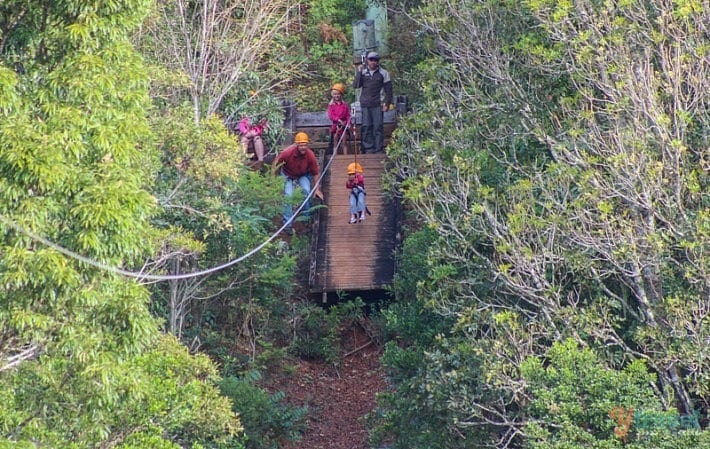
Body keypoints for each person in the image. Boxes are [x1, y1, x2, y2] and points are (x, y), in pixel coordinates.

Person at [273, 132, 324, 234]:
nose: (303, 147)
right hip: (287, 174)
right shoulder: (288, 153)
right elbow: (275, 162)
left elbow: (315, 173)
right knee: (288, 196)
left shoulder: (310, 155)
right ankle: (287, 225)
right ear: (296, 145)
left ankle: (306, 218)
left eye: (305, 145)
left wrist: (317, 189)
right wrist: (274, 181)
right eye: (301, 145)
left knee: (306, 190)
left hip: (303, 174)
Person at [352, 51, 393, 154]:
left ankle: (378, 148)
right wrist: (359, 73)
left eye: (375, 60)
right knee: (366, 126)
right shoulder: (363, 72)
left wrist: (387, 103)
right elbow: (356, 85)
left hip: (377, 104)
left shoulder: (384, 73)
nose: (373, 62)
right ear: (367, 60)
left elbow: (389, 90)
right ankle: (368, 148)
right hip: (365, 103)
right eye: (371, 60)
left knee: (378, 126)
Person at [327, 83, 351, 154]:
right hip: (335, 126)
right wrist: (338, 120)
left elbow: (348, 115)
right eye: (335, 94)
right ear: (332, 95)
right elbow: (331, 115)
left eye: (338, 94)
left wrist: (348, 123)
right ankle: (335, 157)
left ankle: (345, 157)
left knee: (344, 142)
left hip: (343, 126)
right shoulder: (331, 105)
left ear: (341, 95)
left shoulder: (344, 105)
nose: (336, 96)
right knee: (335, 142)